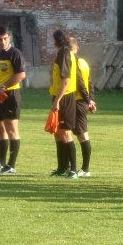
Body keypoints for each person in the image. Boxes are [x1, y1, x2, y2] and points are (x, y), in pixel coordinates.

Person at [0, 26, 26, 173]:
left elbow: (21, 74)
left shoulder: (15, 53)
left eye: (5, 38)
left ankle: (11, 166)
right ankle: (1, 163)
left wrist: (3, 87)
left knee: (11, 129)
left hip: (10, 95)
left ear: (9, 38)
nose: (3, 42)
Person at [49, 29, 80, 178]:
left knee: (66, 133)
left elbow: (66, 80)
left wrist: (57, 100)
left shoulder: (65, 54)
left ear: (56, 41)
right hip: (58, 96)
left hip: (65, 98)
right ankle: (62, 167)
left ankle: (73, 169)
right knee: (57, 132)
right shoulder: (63, 53)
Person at [69, 37, 97, 177]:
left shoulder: (73, 62)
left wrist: (88, 101)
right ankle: (70, 166)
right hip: (82, 101)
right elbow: (90, 83)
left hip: (77, 101)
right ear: (77, 48)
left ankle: (85, 169)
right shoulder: (84, 62)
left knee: (82, 135)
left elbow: (80, 83)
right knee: (77, 134)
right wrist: (91, 99)